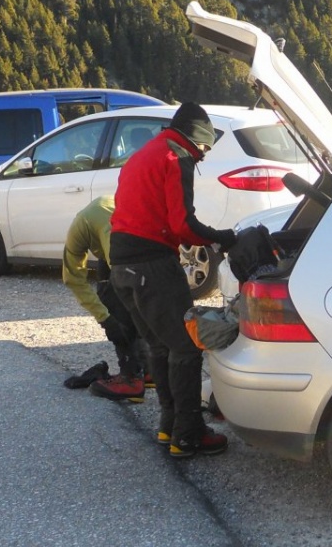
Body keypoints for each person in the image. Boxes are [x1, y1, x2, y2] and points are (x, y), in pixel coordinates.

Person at [107, 102, 237, 458]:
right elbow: (183, 225)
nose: (202, 158)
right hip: (152, 265)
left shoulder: (143, 155)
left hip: (121, 267)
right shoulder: (176, 157)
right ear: (197, 140)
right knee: (186, 346)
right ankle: (189, 435)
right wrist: (221, 237)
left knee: (161, 346)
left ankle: (169, 427)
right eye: (205, 151)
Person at [60, 195, 147, 395]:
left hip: (132, 240)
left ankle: (133, 377)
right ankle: (138, 370)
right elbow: (72, 278)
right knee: (114, 298)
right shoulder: (82, 230)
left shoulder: (123, 230)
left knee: (129, 299)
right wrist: (106, 319)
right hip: (110, 235)